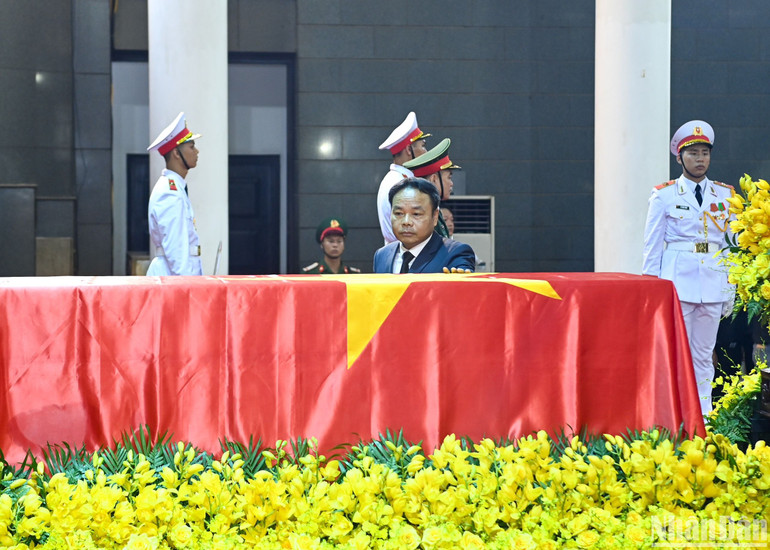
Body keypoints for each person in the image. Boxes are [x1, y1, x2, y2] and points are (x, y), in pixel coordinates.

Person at [642, 120, 735, 415]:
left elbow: (732, 246)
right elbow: (652, 247)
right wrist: (652, 290)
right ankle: (674, 410)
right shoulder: (664, 195)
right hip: (677, 283)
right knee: (674, 351)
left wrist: (731, 287)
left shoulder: (726, 195)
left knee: (705, 354)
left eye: (705, 153)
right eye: (693, 153)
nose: (700, 159)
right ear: (680, 157)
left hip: (713, 282)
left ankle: (704, 414)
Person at [373, 178, 475, 274]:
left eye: (416, 214)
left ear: (435, 217)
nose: (406, 222)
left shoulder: (455, 253)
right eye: (399, 213)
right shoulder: (382, 255)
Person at [145, 112, 203, 276]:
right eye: (191, 147)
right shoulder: (169, 192)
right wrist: (185, 288)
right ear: (177, 153)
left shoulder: (175, 188)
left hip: (174, 277)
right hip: (173, 278)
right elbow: (176, 249)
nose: (196, 151)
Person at [376, 112, 430, 244]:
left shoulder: (394, 178)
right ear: (408, 149)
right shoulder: (402, 184)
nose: (426, 152)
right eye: (422, 146)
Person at [402, 137, 460, 238]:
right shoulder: (423, 214)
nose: (451, 183)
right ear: (434, 179)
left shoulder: (431, 208)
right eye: (449, 177)